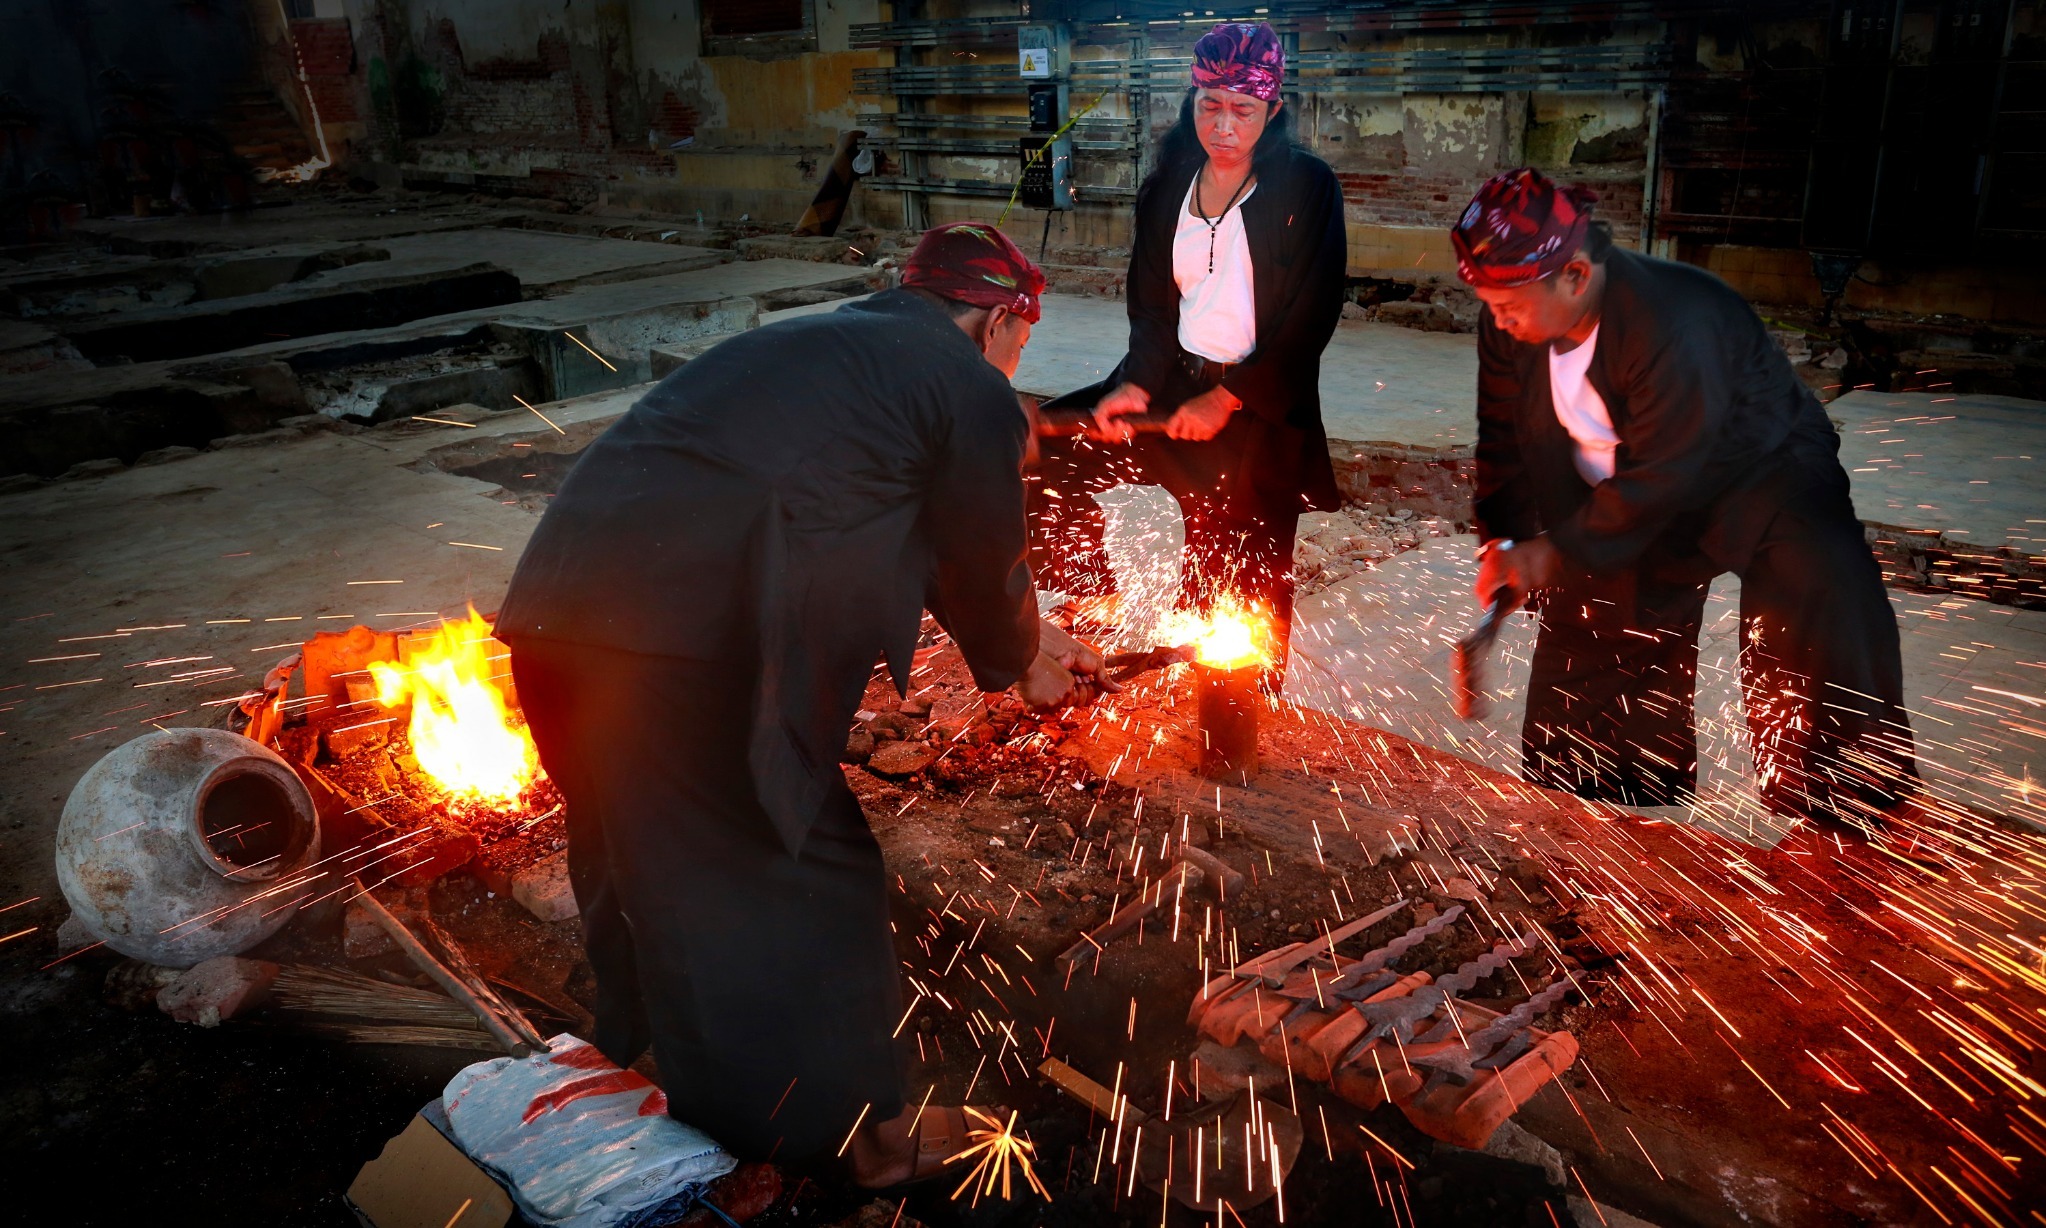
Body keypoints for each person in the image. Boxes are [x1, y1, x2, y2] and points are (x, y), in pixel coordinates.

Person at [495, 222, 1112, 1186]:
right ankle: (858, 1138)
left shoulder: (812, 348)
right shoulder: (968, 389)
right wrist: (1016, 658)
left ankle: (646, 1063)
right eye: (1021, 341)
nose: (1017, 360)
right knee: (812, 872)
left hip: (555, 625)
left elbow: (901, 523)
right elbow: (984, 555)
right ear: (997, 319)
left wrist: (1036, 639)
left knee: (639, 852)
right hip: (676, 655)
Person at [1455, 167, 1939, 851]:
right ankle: (1604, 800)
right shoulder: (1508, 321)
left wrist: (1551, 552)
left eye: (1508, 302)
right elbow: (1501, 439)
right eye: (1488, 301)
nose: (1497, 317)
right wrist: (1503, 542)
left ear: (1574, 275)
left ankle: (1851, 813)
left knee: (1817, 587)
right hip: (1628, 481)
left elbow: (1664, 478)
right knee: (1596, 606)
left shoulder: (1672, 319)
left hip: (1757, 468)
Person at [1030, 20, 1347, 670]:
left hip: (1259, 404)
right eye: (1210, 107)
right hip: (1171, 385)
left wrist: (1227, 398)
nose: (1224, 126)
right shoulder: (1169, 183)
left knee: (1242, 570)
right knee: (1047, 455)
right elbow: (1150, 309)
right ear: (1191, 103)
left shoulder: (1306, 187)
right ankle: (1096, 605)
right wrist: (1135, 385)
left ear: (1273, 110)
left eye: (1243, 111)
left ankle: (1238, 699)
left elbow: (1309, 319)